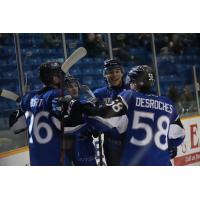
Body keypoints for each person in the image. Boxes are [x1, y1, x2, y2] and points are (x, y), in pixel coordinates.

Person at [78, 65, 185, 165]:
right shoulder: (168, 103)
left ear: (134, 83)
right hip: (163, 162)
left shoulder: (130, 96)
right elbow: (179, 135)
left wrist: (85, 107)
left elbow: (101, 119)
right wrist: (167, 146)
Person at [10, 61, 85, 166]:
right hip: (55, 156)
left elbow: (16, 127)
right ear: (55, 78)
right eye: (62, 75)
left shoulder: (29, 97)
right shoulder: (57, 94)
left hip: (36, 157)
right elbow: (69, 126)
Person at [94, 59, 129, 165]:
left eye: (117, 71)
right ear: (105, 75)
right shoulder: (99, 94)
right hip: (111, 143)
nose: (114, 75)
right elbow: (95, 115)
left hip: (132, 140)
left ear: (122, 73)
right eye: (110, 72)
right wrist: (95, 127)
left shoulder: (131, 91)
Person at [64, 75, 97, 166]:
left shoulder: (85, 103)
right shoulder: (62, 107)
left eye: (75, 86)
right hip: (72, 146)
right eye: (70, 87)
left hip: (87, 144)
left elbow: (95, 130)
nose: (74, 88)